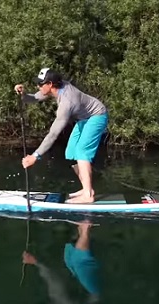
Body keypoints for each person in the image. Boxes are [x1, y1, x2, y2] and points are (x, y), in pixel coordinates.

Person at [15, 68, 108, 204]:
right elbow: (34, 98)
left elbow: (53, 135)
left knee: (82, 152)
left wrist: (35, 156)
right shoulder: (58, 86)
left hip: (97, 116)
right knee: (71, 152)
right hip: (84, 119)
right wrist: (23, 94)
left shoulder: (66, 103)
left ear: (50, 84)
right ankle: (87, 189)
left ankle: (88, 195)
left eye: (41, 84)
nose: (38, 86)